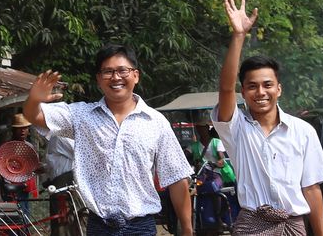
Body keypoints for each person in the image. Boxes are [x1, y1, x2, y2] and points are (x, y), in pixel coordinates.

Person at [23, 43, 194, 235]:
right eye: (108, 72)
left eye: (122, 71)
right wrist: (34, 99)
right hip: (99, 227)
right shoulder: (81, 117)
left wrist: (187, 229)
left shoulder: (156, 122)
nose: (116, 77)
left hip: (141, 228)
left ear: (135, 75)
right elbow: (33, 115)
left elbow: (177, 178)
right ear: (98, 79)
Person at [210, 0, 323, 236]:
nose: (260, 92)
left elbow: (311, 188)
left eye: (267, 85)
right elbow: (225, 88)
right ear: (243, 92)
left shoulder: (302, 131)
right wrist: (239, 35)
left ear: (279, 89)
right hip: (251, 226)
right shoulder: (236, 129)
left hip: (293, 226)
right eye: (252, 86)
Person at [43, 135, 82, 236]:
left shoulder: (61, 135)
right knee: (60, 220)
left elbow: (80, 153)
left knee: (65, 220)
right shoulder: (55, 136)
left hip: (66, 181)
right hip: (58, 182)